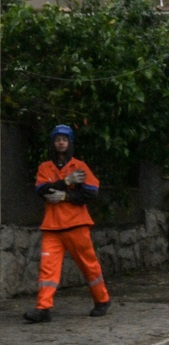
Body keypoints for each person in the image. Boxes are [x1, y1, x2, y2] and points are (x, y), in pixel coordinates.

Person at [23, 124, 112, 323]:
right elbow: (42, 191)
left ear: (70, 143)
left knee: (89, 265)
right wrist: (66, 181)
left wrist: (66, 195)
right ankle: (43, 308)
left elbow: (91, 192)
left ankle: (102, 300)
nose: (61, 142)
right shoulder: (45, 167)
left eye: (64, 139)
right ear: (53, 143)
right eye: (57, 139)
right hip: (52, 227)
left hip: (76, 225)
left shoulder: (80, 166)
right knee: (48, 268)